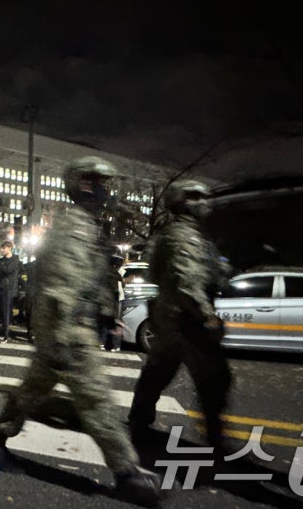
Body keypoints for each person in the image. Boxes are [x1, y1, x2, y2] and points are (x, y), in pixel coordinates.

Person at [0, 156, 163, 507]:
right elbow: (61, 287)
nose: (107, 191)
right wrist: (63, 337)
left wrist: (105, 313)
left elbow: (91, 279)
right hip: (67, 332)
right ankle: (128, 474)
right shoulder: (74, 227)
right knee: (97, 401)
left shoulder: (87, 226)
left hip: (60, 331)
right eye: (100, 183)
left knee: (31, 393)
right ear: (84, 185)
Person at [128, 180, 232, 452]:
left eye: (204, 196)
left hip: (169, 316)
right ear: (179, 202)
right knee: (215, 377)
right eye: (194, 196)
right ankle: (214, 437)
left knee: (159, 370)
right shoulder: (185, 236)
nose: (203, 202)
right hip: (186, 318)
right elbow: (187, 282)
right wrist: (207, 316)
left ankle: (139, 419)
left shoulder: (175, 233)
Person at [0, 240, 20, 343]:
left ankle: (5, 335)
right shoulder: (0, 260)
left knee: (5, 313)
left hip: (8, 289)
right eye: (1, 248)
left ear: (9, 248)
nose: (1, 250)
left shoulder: (15, 260)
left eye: (4, 248)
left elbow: (7, 270)